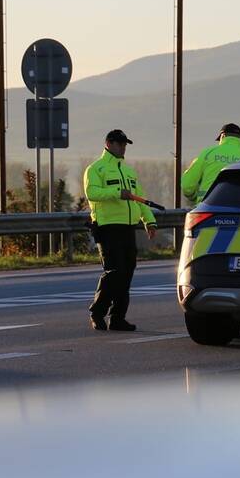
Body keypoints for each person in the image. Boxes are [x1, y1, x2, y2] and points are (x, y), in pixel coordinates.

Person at [84, 129, 158, 331]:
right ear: (108, 143)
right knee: (114, 271)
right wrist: (117, 193)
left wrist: (149, 221)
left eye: (125, 144)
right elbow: (92, 193)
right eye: (120, 143)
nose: (123, 147)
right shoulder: (96, 169)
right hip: (107, 227)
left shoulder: (128, 171)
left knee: (126, 273)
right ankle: (97, 312)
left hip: (127, 227)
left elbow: (139, 198)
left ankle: (118, 318)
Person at [181, 123, 240, 202]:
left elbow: (187, 185)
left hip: (208, 206)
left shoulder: (208, 153)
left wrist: (193, 197)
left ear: (222, 136)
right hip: (236, 208)